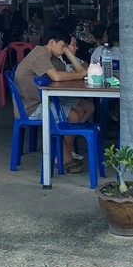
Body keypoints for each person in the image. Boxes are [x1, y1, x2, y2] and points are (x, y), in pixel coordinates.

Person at [13, 27, 93, 174]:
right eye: (63, 46)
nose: (64, 49)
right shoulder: (39, 54)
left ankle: (64, 150)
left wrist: (67, 52)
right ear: (51, 42)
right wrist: (81, 75)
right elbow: (57, 77)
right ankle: (65, 156)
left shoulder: (53, 58)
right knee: (73, 115)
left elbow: (78, 71)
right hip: (30, 108)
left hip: (43, 101)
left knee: (86, 106)